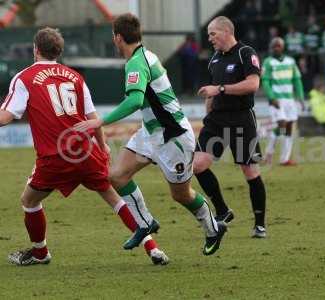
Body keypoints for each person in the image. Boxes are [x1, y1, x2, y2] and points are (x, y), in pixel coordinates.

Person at [0, 27, 168, 266]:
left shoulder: (25, 78)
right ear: (58, 50)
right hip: (85, 151)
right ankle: (153, 248)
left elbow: (6, 117)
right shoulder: (75, 76)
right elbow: (93, 116)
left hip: (55, 157)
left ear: (36, 49)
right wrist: (103, 146)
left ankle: (40, 253)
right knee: (115, 199)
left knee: (29, 201)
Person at [74, 13, 226, 256]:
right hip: (151, 132)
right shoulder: (146, 55)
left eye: (114, 36)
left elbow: (135, 100)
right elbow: (142, 99)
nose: (114, 40)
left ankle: (212, 228)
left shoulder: (137, 62)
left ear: (119, 37)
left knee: (181, 194)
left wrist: (99, 121)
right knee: (117, 176)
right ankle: (145, 223)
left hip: (173, 137)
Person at [193, 16, 267, 238]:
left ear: (226, 31)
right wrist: (208, 112)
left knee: (250, 171)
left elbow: (253, 84)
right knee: (197, 165)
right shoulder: (214, 59)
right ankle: (223, 211)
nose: (210, 39)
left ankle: (260, 224)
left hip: (242, 118)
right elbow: (211, 90)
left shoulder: (246, 53)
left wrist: (221, 90)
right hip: (216, 119)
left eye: (212, 34)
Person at [261, 37, 304, 166]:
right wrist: (271, 97)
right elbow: (265, 81)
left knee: (289, 128)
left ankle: (284, 159)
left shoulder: (291, 61)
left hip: (289, 99)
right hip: (276, 100)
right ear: (271, 48)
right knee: (282, 125)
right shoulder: (268, 63)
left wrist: (300, 97)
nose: (276, 48)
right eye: (274, 46)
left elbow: (297, 79)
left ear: (282, 47)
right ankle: (269, 153)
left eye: (278, 46)